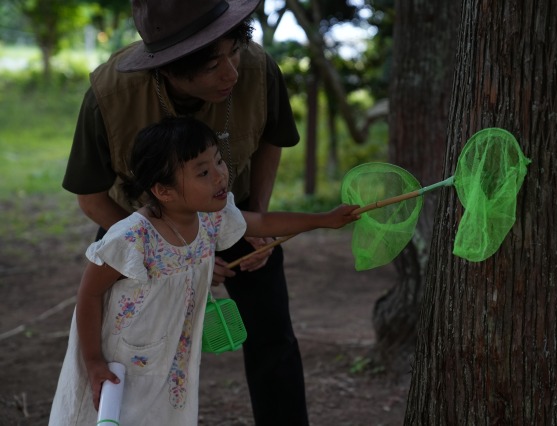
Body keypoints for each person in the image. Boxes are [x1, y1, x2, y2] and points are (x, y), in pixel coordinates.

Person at [61, 0, 315, 423]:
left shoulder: (258, 69)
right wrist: (174, 249)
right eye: (213, 64)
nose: (231, 72)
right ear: (169, 66)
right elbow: (90, 197)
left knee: (273, 339)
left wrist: (259, 214)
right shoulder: (110, 95)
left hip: (235, 215)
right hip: (138, 234)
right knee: (130, 349)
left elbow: (273, 137)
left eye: (234, 50)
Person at [50, 116, 359, 425]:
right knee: (110, 416)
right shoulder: (131, 238)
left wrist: (323, 219)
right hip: (116, 361)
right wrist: (92, 361)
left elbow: (263, 223)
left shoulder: (210, 218)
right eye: (203, 172)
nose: (220, 175)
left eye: (220, 161)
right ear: (164, 190)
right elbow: (89, 293)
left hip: (172, 358)